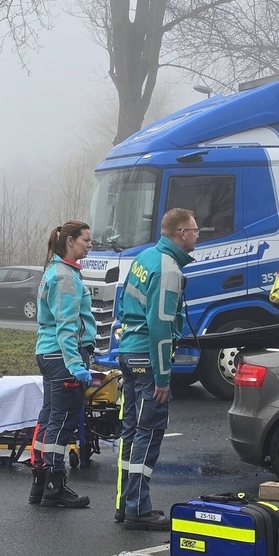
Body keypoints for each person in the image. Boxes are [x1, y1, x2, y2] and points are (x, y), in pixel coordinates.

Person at [115, 208, 196, 530]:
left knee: (131, 432)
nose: (197, 235)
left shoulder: (145, 258)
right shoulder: (168, 271)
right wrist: (163, 377)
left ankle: (125, 504)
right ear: (180, 233)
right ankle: (138, 510)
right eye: (195, 230)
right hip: (148, 359)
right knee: (148, 435)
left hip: (129, 353)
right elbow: (161, 326)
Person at [29, 221, 97, 509]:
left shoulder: (54, 272)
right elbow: (67, 326)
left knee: (49, 419)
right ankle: (56, 485)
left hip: (49, 354)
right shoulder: (65, 277)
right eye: (85, 240)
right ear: (70, 241)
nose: (90, 245)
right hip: (62, 356)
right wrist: (75, 364)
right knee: (63, 421)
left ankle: (41, 484)